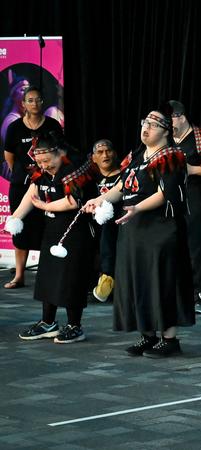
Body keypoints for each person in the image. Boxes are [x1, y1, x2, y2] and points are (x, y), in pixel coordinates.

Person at [84, 104, 194, 358]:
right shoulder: (137, 156)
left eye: (153, 124)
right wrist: (101, 200)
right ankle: (147, 334)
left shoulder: (171, 156)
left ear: (166, 131)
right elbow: (123, 185)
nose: (146, 128)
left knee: (162, 280)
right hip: (134, 229)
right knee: (139, 280)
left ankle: (169, 339)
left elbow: (166, 193)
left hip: (159, 229)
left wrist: (137, 208)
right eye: (145, 122)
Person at [9, 135, 97, 343]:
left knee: (71, 279)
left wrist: (44, 206)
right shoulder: (43, 171)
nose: (44, 166)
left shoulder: (74, 169)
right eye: (40, 162)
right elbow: (32, 193)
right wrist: (15, 217)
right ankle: (47, 322)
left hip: (75, 232)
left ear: (60, 153)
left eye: (47, 161)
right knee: (48, 276)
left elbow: (73, 201)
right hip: (52, 230)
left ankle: (75, 325)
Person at [3, 86, 63, 289]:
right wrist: (24, 174)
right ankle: (19, 276)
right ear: (24, 104)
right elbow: (9, 156)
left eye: (38, 100)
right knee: (20, 228)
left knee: (49, 227)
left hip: (48, 185)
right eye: (30, 100)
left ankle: (48, 274)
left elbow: (61, 153)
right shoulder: (15, 127)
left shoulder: (53, 125)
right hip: (21, 185)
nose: (34, 103)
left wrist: (43, 174)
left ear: (43, 102)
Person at [170, 100, 201, 314]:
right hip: (172, 200)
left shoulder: (200, 137)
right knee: (173, 245)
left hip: (196, 197)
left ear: (180, 116)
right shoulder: (166, 139)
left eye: (169, 119)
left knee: (198, 247)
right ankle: (180, 292)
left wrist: (188, 169)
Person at [90, 139, 122, 302]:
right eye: (100, 152)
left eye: (108, 151)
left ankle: (109, 281)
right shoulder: (89, 177)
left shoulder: (124, 175)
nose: (105, 155)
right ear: (93, 157)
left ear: (115, 153)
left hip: (117, 223)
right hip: (93, 223)